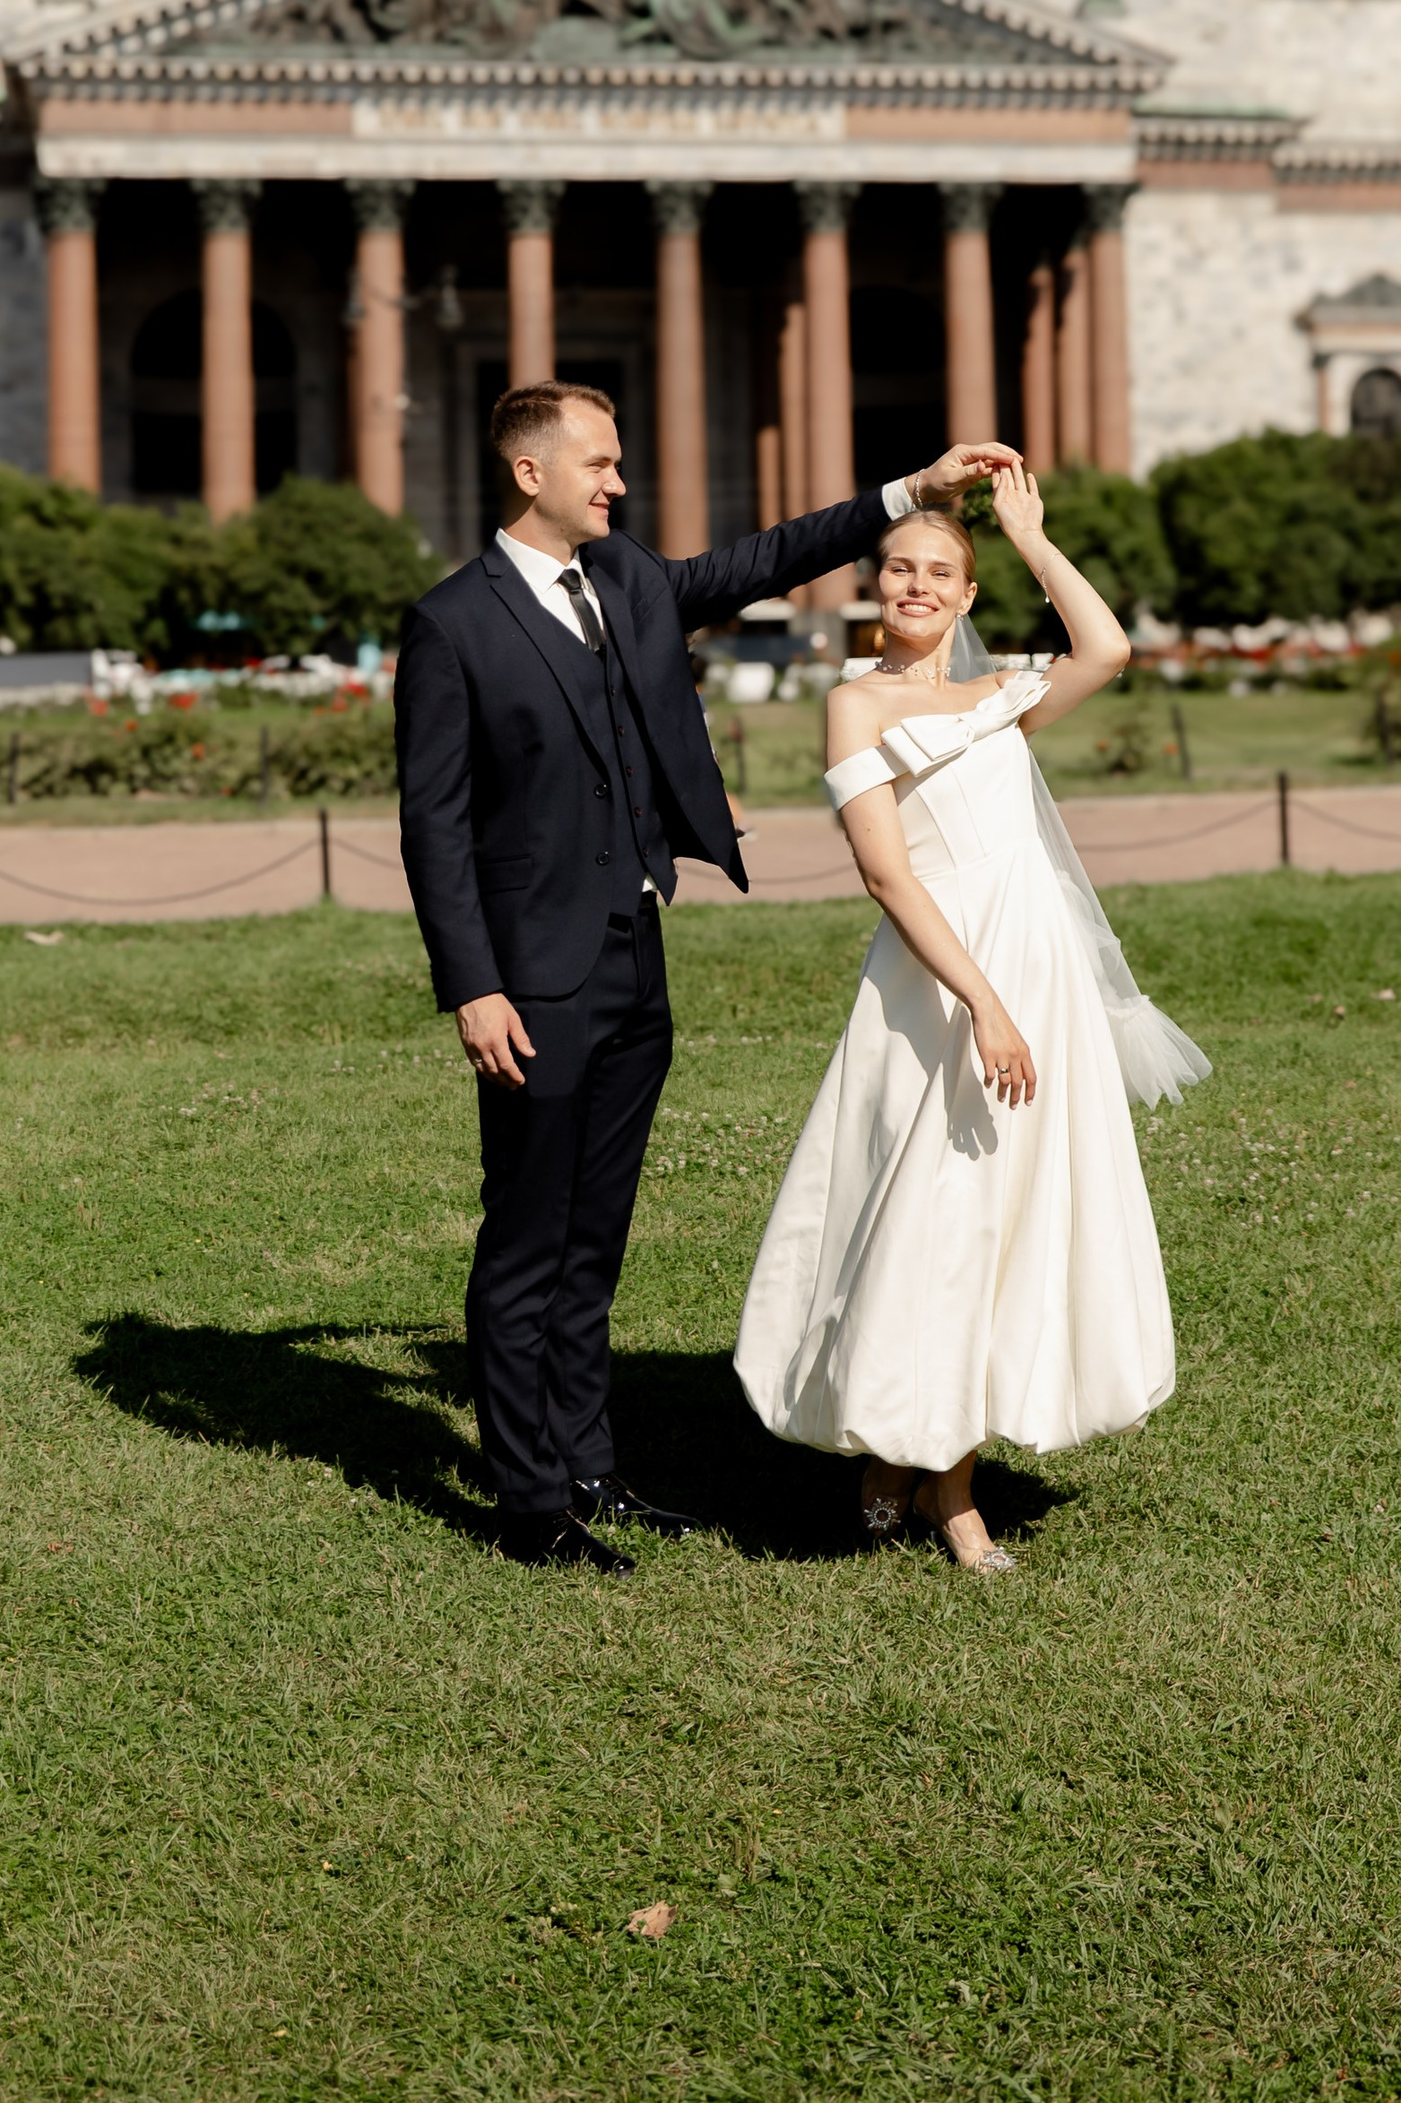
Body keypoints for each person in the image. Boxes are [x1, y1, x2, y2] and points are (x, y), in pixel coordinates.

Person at [396, 379, 1022, 1574]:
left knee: (596, 1241)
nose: (618, 481)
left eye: (618, 462)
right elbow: (434, 823)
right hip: (527, 979)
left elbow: (770, 556)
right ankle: (531, 1510)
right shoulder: (453, 622)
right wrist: (472, 984)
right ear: (530, 473)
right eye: (599, 462)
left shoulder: (627, 579)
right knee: (527, 1238)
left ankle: (590, 1468)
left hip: (635, 953)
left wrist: (911, 491)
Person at [735, 466, 1209, 1569]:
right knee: (938, 1221)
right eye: (899, 567)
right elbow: (888, 877)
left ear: (964, 592)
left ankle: (921, 1459)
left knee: (1016, 1216)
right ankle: (937, 1480)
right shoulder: (856, 701)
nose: (914, 584)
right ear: (875, 583)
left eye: (938, 572)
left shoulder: (1000, 691)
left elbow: (1108, 650)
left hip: (1043, 977)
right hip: (941, 988)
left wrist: (1034, 540)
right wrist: (983, 1003)